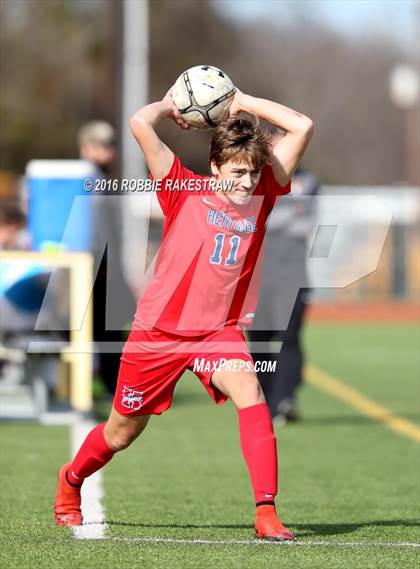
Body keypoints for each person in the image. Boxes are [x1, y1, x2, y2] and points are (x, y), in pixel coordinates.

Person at [54, 86, 313, 541]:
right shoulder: (181, 188)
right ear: (214, 168)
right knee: (121, 433)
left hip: (218, 332)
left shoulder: (265, 189)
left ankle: (266, 513)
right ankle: (71, 479)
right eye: (236, 173)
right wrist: (171, 108)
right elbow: (139, 122)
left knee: (250, 390)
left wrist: (240, 99)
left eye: (252, 174)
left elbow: (302, 125)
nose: (246, 183)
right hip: (158, 332)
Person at [249, 168, 319, 424]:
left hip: (292, 277)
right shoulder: (253, 176)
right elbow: (251, 219)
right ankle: (263, 402)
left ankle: (285, 399)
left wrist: (270, 213)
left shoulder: (308, 180)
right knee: (258, 341)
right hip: (256, 277)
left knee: (288, 338)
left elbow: (305, 226)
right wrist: (289, 211)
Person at [78, 122, 136, 395]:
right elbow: (96, 229)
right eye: (102, 144)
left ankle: (111, 381)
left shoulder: (98, 178)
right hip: (94, 267)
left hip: (100, 266)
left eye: (111, 144)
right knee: (104, 328)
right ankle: (113, 382)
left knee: (107, 327)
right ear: (86, 147)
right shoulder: (89, 178)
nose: (108, 150)